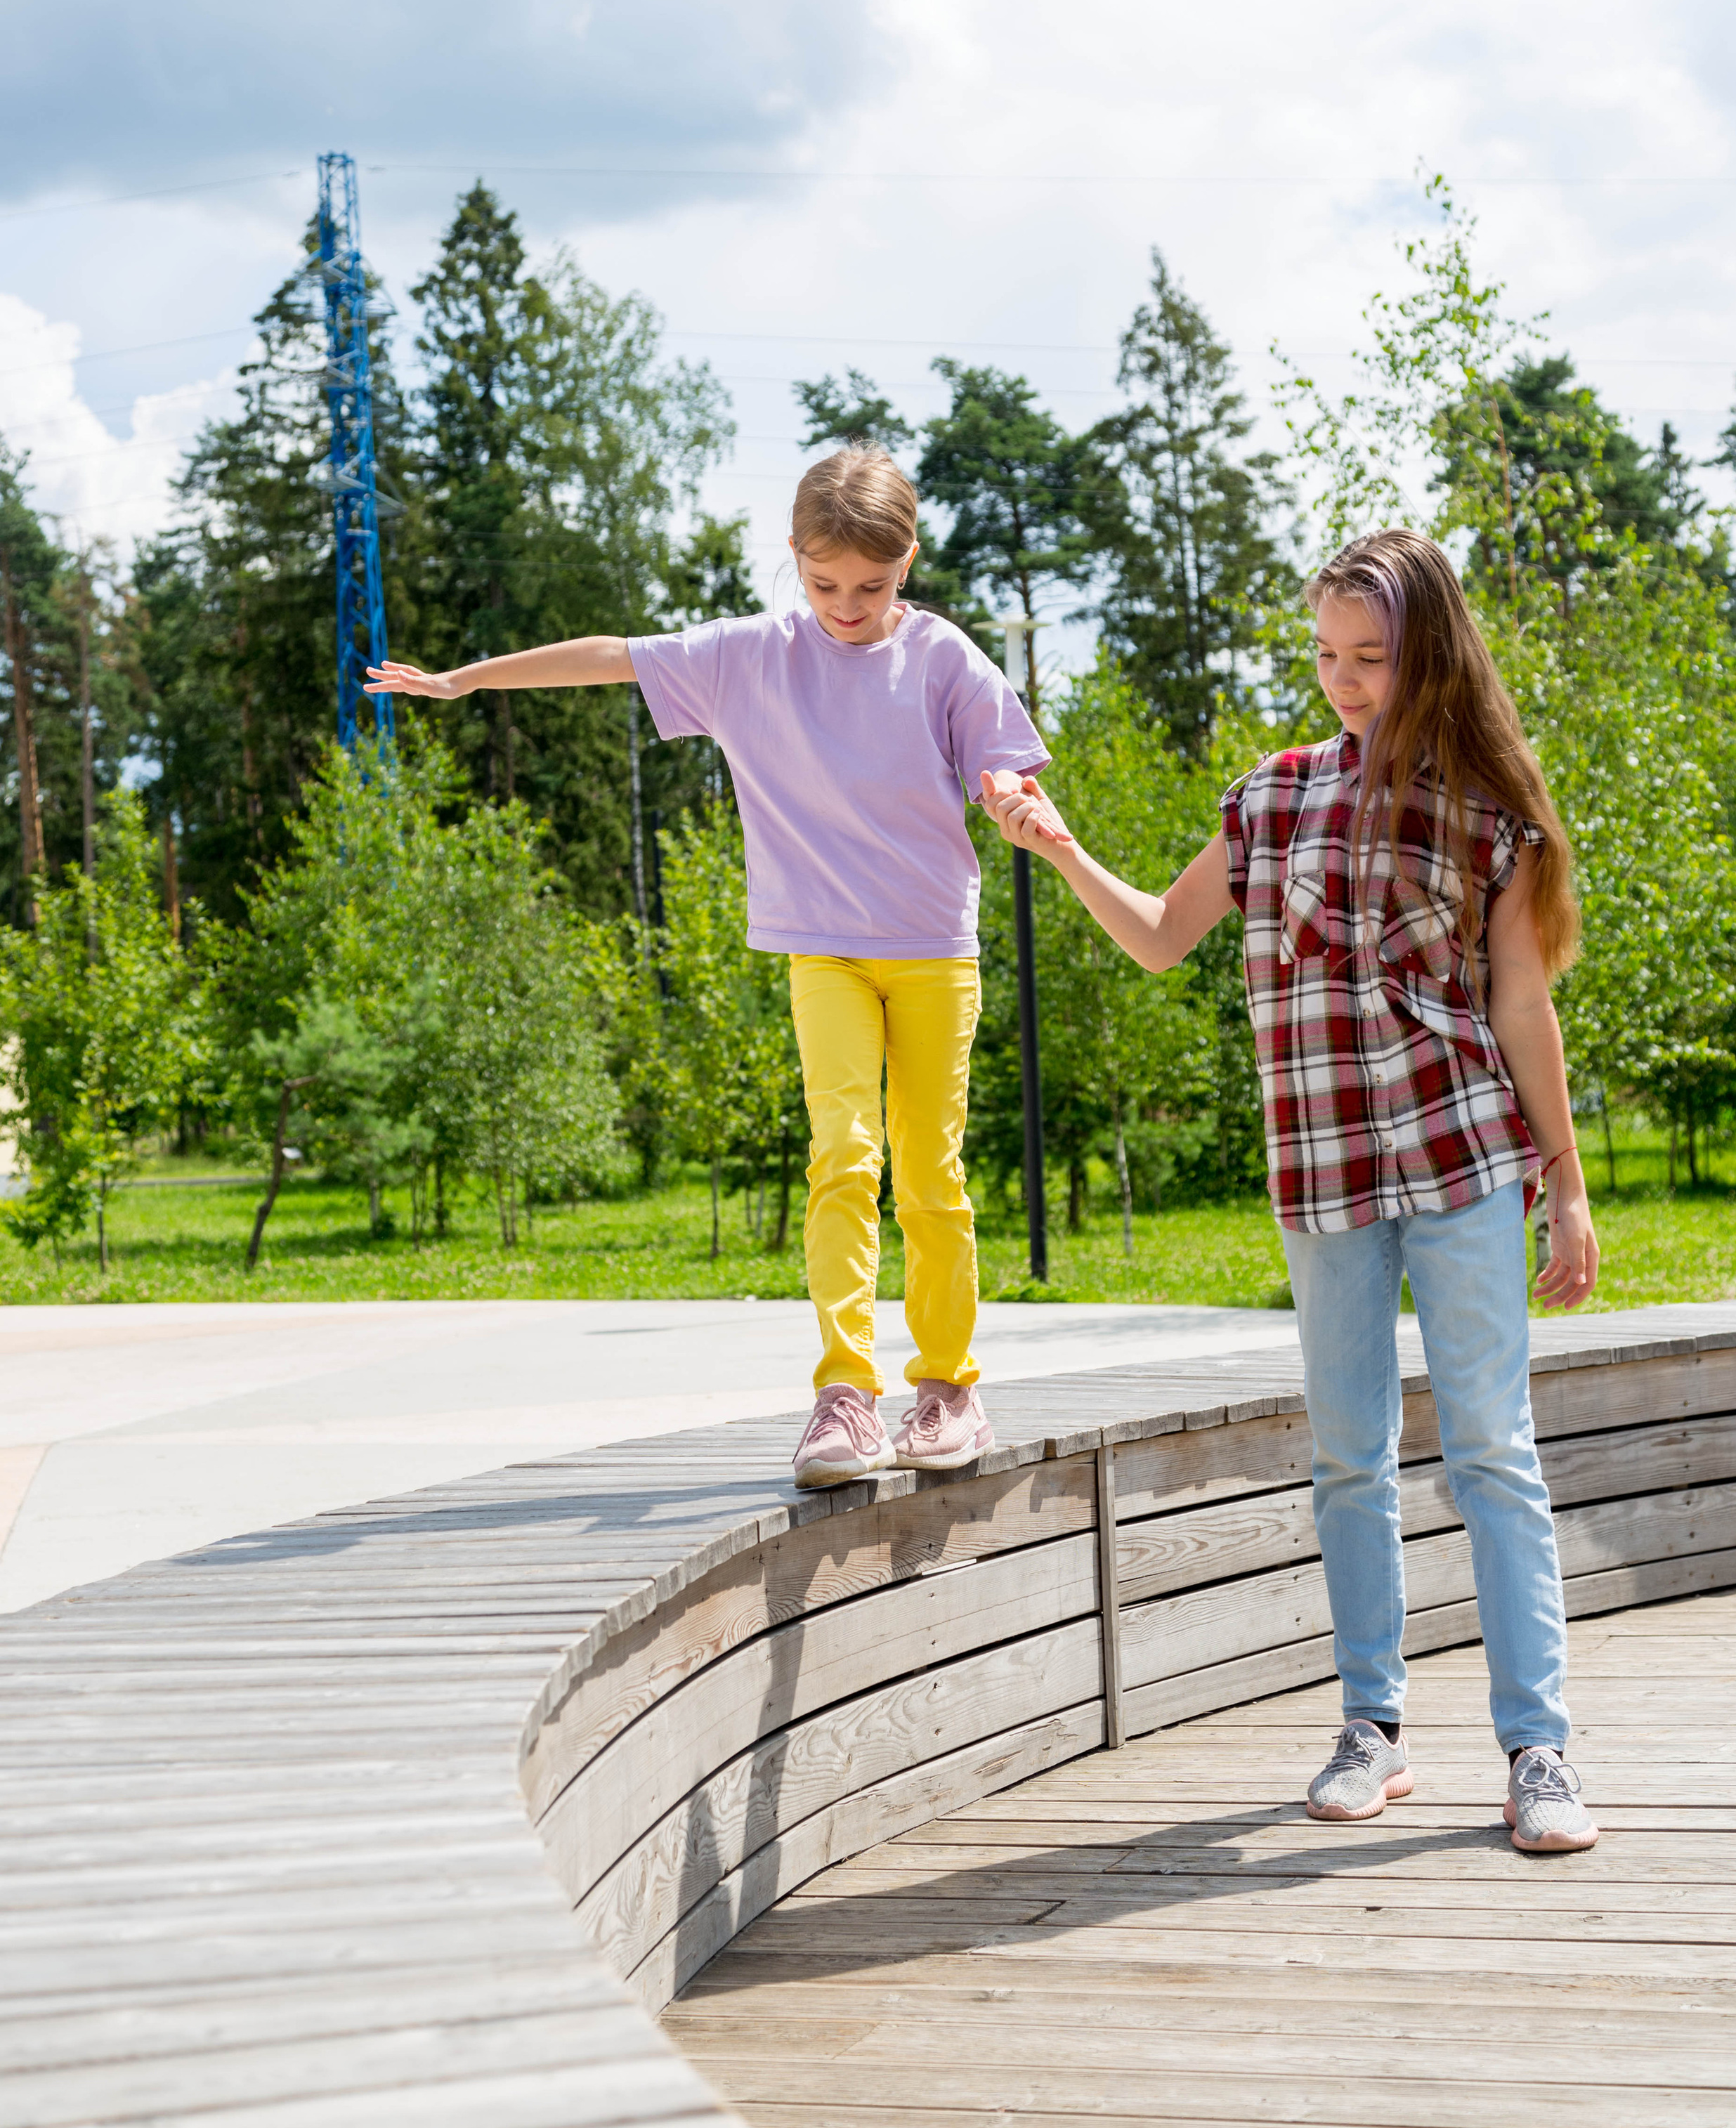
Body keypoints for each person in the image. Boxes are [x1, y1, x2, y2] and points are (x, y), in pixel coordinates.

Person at [981, 529, 1601, 1857]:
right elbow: (1158, 938)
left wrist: (1568, 1183)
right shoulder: (1269, 799)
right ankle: (1371, 1729)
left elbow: (1521, 1006)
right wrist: (1059, 845)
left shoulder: (1489, 817)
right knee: (1346, 1458)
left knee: (1494, 1452)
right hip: (1323, 1173)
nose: (1345, 681)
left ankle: (1537, 1751)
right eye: (1327, 655)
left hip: (1465, 1157)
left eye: (1371, 658)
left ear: (1429, 655)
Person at [366, 448, 1047, 1494]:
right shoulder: (750, 655)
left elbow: (1000, 766)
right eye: (825, 585)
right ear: (794, 559)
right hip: (820, 946)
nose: (849, 606)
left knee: (929, 1171)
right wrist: (472, 678)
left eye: (873, 586)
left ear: (908, 560)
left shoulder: (947, 658)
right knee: (842, 1151)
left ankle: (949, 1389)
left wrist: (1008, 801)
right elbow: (610, 654)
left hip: (930, 950)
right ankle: (847, 1395)